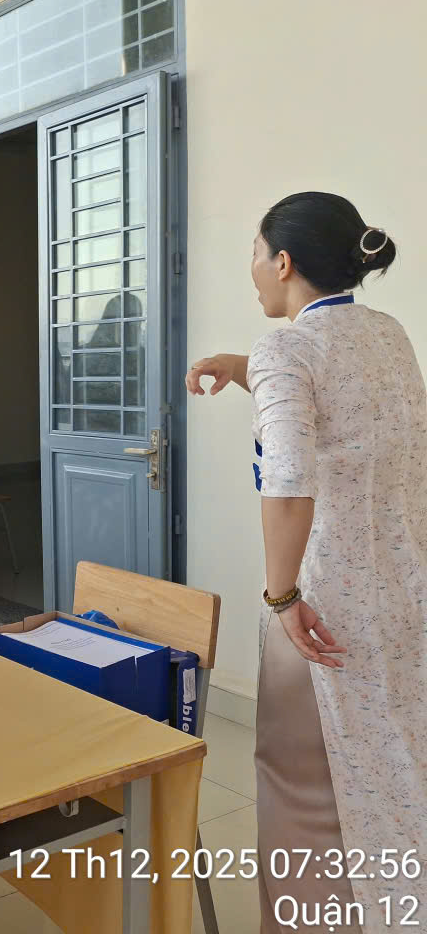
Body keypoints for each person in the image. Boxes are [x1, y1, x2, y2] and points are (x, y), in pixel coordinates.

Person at [187, 192, 425, 930]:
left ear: (283, 262)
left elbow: (289, 483)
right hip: (403, 602)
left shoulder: (286, 348)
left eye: (256, 255)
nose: (254, 270)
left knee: (304, 800)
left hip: (320, 616)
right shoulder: (387, 335)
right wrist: (240, 366)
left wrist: (282, 597)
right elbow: (341, 403)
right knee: (393, 784)